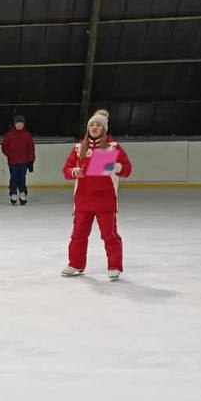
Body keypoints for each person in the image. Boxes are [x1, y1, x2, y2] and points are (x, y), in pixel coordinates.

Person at [62, 109, 132, 280]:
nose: (94, 127)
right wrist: (74, 171)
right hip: (83, 200)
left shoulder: (112, 147)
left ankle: (114, 266)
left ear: (104, 128)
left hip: (105, 200)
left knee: (110, 235)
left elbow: (127, 169)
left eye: (98, 125)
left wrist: (114, 167)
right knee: (78, 234)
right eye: (91, 125)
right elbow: (66, 170)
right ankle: (76, 264)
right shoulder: (79, 148)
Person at [1, 114, 36, 206]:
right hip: (13, 162)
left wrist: (31, 160)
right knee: (14, 177)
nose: (19, 125)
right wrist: (10, 154)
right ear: (14, 124)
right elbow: (4, 147)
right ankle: (13, 193)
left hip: (24, 162)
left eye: (21, 123)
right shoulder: (9, 135)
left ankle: (22, 193)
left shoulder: (27, 135)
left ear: (24, 124)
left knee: (22, 178)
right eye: (18, 123)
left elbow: (31, 149)